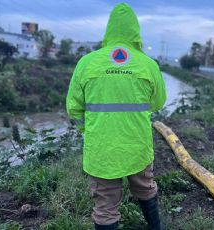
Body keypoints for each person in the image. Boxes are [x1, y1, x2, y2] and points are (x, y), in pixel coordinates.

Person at [66, 3, 167, 230]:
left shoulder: (87, 63)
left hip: (101, 149)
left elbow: (73, 108)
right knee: (145, 188)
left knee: (105, 206)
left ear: (109, 29)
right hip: (137, 145)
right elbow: (158, 102)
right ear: (135, 31)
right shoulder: (148, 65)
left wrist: (89, 129)